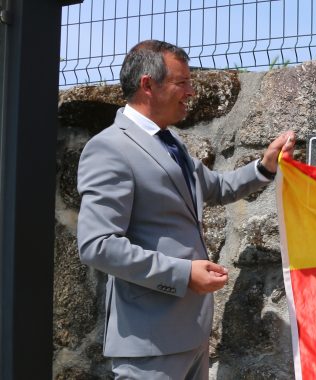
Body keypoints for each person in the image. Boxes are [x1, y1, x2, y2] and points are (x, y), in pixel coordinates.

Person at [76, 40, 295, 379]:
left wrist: (264, 167)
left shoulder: (170, 142)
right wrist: (183, 274)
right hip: (148, 344)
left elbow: (216, 187)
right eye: (182, 82)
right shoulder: (109, 148)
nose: (191, 92)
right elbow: (98, 246)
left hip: (190, 335)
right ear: (148, 85)